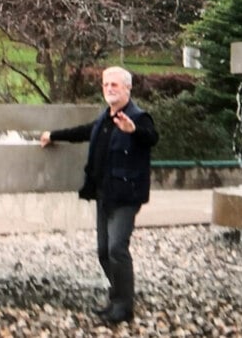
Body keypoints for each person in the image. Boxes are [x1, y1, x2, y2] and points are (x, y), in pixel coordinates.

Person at [39, 66, 158, 324]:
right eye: (106, 85)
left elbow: (151, 137)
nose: (109, 89)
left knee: (117, 248)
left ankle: (124, 307)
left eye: (114, 85)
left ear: (127, 88)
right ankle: (117, 298)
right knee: (104, 252)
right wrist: (53, 135)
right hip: (104, 194)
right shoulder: (104, 119)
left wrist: (133, 130)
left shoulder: (138, 117)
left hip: (126, 196)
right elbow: (83, 132)